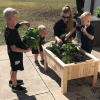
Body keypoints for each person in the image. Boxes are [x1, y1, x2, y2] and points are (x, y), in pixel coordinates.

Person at [3, 7, 32, 92]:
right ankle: (15, 86)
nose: (18, 21)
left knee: (13, 68)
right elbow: (14, 48)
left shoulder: (12, 26)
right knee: (14, 70)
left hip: (15, 54)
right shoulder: (10, 33)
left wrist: (24, 23)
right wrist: (26, 51)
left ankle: (12, 81)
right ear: (10, 20)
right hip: (14, 54)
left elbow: (19, 25)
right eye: (16, 20)